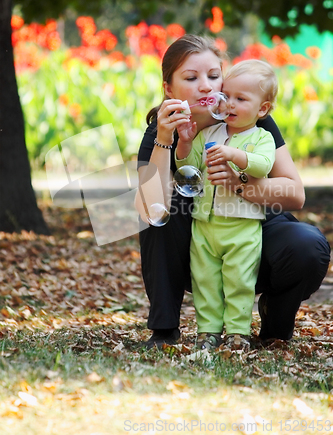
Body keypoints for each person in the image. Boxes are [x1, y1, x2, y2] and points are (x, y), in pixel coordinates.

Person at [135, 34, 331, 350]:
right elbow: (148, 209)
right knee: (164, 209)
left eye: (214, 76)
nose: (206, 86)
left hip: (254, 229)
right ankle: (164, 330)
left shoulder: (250, 119)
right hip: (199, 243)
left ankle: (275, 317)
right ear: (169, 89)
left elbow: (295, 194)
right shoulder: (162, 130)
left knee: (308, 246)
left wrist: (238, 183)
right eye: (191, 77)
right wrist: (164, 139)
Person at [175, 59, 277, 351]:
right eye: (227, 96)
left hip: (242, 226)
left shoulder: (262, 137)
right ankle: (207, 331)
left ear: (263, 109)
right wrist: (184, 143)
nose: (230, 104)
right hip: (205, 223)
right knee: (205, 280)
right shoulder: (208, 134)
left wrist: (234, 154)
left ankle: (238, 332)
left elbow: (262, 165)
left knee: (239, 281)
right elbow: (189, 167)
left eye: (241, 99)